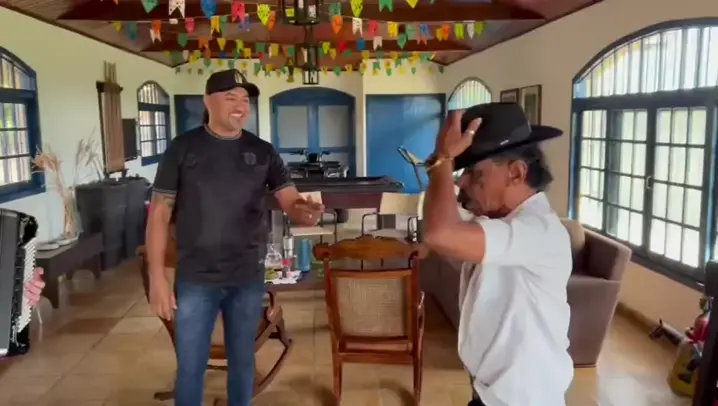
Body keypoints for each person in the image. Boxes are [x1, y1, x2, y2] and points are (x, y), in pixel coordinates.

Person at [145, 69, 324, 406]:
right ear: (207, 101)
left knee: (243, 363)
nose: (241, 106)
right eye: (231, 98)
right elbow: (159, 214)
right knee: (190, 367)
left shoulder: (263, 151)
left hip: (246, 276)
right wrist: (157, 277)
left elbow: (290, 200)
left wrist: (305, 211)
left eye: (245, 99)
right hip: (196, 278)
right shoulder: (182, 148)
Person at [422, 103, 573, 406]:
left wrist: (443, 160)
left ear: (516, 172)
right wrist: (439, 163)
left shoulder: (538, 230)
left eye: (473, 172)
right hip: (491, 393)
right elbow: (438, 229)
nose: (462, 182)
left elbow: (440, 233)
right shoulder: (498, 221)